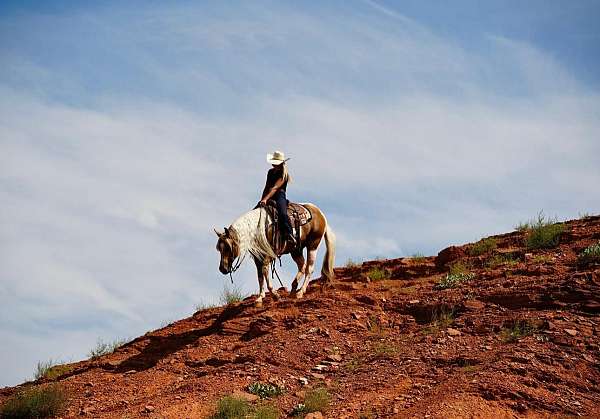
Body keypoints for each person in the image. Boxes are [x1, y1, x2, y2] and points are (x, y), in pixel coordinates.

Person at [258, 150, 297, 247]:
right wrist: (262, 199)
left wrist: (266, 199)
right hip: (269, 194)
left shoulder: (284, 174)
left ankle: (290, 234)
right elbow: (267, 187)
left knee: (282, 214)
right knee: (256, 210)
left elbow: (275, 188)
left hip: (279, 195)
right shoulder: (270, 172)